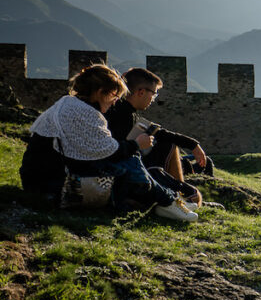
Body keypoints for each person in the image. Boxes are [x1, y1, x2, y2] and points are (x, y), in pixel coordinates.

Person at [24, 64, 197, 221]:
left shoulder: (69, 104)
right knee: (130, 160)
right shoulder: (85, 113)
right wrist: (137, 145)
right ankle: (168, 201)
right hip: (53, 186)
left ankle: (167, 201)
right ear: (100, 92)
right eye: (115, 95)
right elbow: (111, 151)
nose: (116, 101)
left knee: (131, 160)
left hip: (40, 181)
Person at [104, 68, 212, 206]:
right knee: (195, 196)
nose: (153, 99)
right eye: (153, 94)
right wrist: (137, 145)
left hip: (135, 171)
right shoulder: (122, 114)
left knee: (169, 144)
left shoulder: (126, 111)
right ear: (141, 92)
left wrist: (193, 144)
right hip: (129, 177)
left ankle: (180, 197)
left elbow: (160, 133)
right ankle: (180, 200)